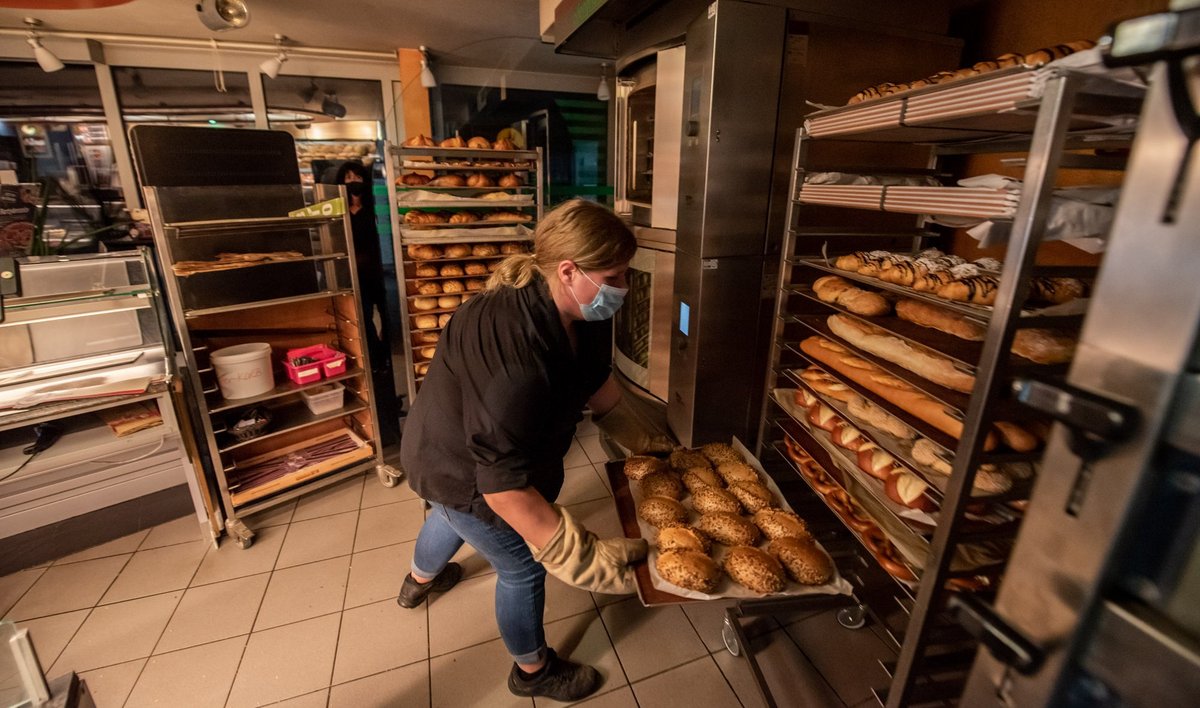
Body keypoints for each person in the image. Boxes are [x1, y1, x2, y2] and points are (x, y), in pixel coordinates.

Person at [397, 199, 674, 702]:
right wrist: (575, 554)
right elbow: (500, 485)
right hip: (459, 463)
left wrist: (651, 441)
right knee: (520, 564)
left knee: (450, 514)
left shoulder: (579, 310)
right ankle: (532, 672)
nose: (624, 287)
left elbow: (595, 381)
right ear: (568, 270)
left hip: (460, 452)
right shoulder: (513, 356)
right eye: (614, 276)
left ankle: (418, 581)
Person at [333, 161, 399, 446]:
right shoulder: (337, 210)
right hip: (349, 277)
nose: (352, 181)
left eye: (357, 176)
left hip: (374, 274)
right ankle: (365, 358)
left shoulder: (372, 209)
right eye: (347, 177)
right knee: (357, 319)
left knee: (379, 317)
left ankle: (380, 359)